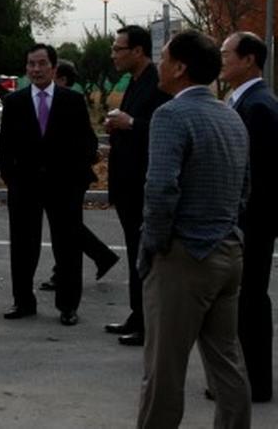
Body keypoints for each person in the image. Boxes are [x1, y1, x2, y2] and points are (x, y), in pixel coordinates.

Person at [137, 30, 251, 428]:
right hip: (228, 251)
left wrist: (154, 246)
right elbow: (244, 187)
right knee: (227, 363)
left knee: (164, 371)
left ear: (180, 68)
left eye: (164, 57)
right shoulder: (231, 115)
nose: (159, 64)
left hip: (184, 258)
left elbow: (160, 188)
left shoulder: (171, 114)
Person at [0, 43, 98, 326]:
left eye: (42, 63)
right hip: (24, 187)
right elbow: (5, 146)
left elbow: (88, 143)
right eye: (31, 64)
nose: (36, 69)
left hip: (64, 187)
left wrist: (76, 178)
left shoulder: (72, 101)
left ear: (54, 68)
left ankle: (68, 305)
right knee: (22, 246)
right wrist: (11, 178)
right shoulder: (14, 102)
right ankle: (23, 301)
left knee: (67, 247)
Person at [103, 25, 170, 347]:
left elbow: (162, 128)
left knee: (145, 257)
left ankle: (147, 322)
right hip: (127, 185)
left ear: (138, 51)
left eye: (118, 49)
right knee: (134, 253)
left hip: (142, 184)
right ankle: (137, 313)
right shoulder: (135, 80)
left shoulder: (157, 83)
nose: (113, 54)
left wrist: (130, 123)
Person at [220, 31, 278, 403]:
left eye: (226, 54)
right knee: (244, 299)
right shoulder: (243, 100)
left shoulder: (258, 107)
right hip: (248, 220)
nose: (222, 60)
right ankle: (242, 379)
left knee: (251, 298)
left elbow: (259, 175)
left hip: (253, 221)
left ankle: (254, 383)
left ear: (249, 60)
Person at [38, 59, 120, 295]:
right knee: (66, 226)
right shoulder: (56, 101)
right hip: (63, 177)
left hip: (68, 178)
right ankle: (97, 258)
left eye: (51, 73)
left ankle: (72, 271)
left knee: (66, 227)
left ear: (61, 79)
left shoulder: (69, 102)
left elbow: (85, 141)